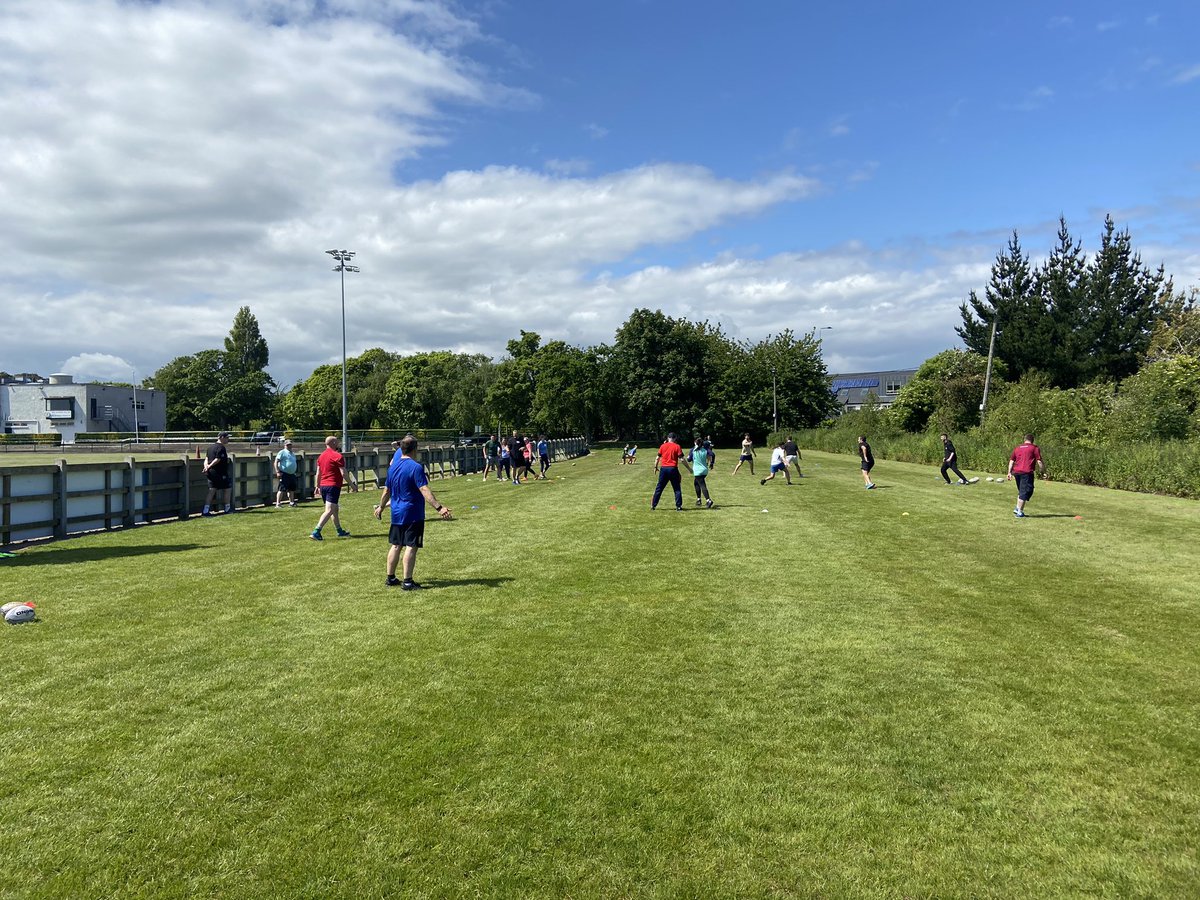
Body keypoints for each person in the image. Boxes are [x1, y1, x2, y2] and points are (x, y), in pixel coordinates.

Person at [374, 434, 452, 589]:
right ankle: (408, 581)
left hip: (396, 512)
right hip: (412, 512)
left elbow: (386, 491)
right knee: (411, 546)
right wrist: (439, 507)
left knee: (396, 544)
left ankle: (390, 578)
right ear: (415, 449)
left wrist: (381, 507)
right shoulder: (415, 467)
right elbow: (424, 489)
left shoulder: (393, 467)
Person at [311, 435, 350, 540]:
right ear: (333, 443)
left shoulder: (321, 456)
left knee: (334, 509)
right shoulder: (337, 456)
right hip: (333, 486)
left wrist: (317, 486)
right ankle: (316, 531)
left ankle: (339, 530)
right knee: (329, 510)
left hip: (323, 486)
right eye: (337, 442)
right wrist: (352, 484)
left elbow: (318, 473)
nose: (338, 444)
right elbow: (343, 473)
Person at [1007, 433, 1046, 518]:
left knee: (1022, 490)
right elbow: (1039, 461)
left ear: (1024, 440)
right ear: (1032, 440)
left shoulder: (1017, 448)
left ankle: (1017, 508)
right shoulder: (1034, 448)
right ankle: (1020, 512)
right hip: (1026, 472)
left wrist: (1009, 472)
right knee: (1026, 491)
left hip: (1016, 472)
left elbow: (1011, 461)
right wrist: (1043, 471)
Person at [201, 431, 233, 516]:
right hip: (220, 473)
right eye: (227, 438)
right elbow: (218, 459)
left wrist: (206, 467)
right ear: (222, 437)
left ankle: (205, 510)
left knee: (211, 490)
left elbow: (206, 459)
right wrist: (209, 466)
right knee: (227, 489)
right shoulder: (221, 448)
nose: (228, 439)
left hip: (210, 473)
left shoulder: (210, 447)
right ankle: (227, 508)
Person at [651, 432, 685, 510]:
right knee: (677, 488)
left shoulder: (662, 446)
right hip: (673, 468)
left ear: (668, 438)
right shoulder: (677, 446)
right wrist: (689, 469)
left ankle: (653, 505)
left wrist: (655, 467)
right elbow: (682, 459)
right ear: (675, 438)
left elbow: (657, 458)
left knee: (659, 488)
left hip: (664, 469)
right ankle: (678, 506)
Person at [688, 435, 714, 508]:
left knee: (702, 485)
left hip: (697, 471)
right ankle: (698, 500)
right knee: (696, 483)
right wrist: (711, 463)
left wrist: (689, 457)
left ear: (695, 442)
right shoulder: (705, 450)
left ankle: (708, 500)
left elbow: (689, 459)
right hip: (704, 470)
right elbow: (711, 455)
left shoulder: (693, 450)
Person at [274, 438, 299, 507]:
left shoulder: (292, 453)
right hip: (284, 473)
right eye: (288, 445)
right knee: (281, 488)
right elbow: (276, 462)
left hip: (292, 474)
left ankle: (291, 502)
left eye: (290, 444)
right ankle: (278, 503)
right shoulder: (282, 452)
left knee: (291, 489)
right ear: (285, 445)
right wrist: (277, 471)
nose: (289, 446)